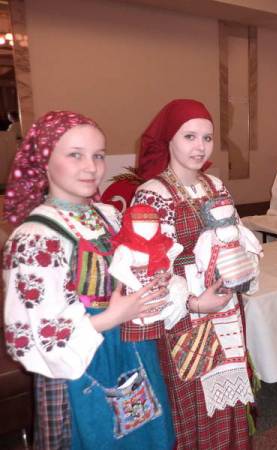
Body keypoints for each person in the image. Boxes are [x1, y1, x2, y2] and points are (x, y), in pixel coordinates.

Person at [2, 111, 176, 449]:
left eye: (98, 155)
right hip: (81, 368)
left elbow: (129, 270)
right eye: (75, 155)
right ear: (44, 161)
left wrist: (152, 281)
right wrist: (112, 317)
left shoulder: (107, 216)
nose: (91, 167)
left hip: (132, 349)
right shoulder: (35, 239)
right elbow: (32, 339)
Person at [129, 99, 256, 449]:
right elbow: (147, 271)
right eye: (189, 136)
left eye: (207, 138)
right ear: (169, 139)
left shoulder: (215, 185)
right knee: (192, 399)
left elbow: (236, 239)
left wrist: (242, 269)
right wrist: (194, 303)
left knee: (229, 400)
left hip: (226, 308)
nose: (200, 146)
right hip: (185, 314)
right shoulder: (152, 195)